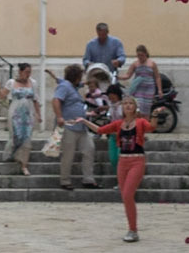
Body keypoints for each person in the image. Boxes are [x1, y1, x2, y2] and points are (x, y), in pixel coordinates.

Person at [90, 91, 152, 241]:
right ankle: (132, 228)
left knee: (128, 194)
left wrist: (155, 115)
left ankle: (133, 230)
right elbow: (100, 130)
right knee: (125, 197)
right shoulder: (119, 124)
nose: (128, 106)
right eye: (125, 104)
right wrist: (83, 121)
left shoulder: (141, 122)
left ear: (135, 107)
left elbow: (151, 127)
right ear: (122, 107)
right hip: (122, 162)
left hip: (137, 160)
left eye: (130, 103)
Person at [53, 63, 96, 191]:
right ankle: (65, 180)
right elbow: (56, 100)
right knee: (68, 154)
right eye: (80, 76)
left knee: (89, 149)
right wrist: (59, 117)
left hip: (81, 126)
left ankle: (88, 179)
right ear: (76, 77)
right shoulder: (64, 86)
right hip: (69, 126)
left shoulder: (73, 87)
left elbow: (81, 85)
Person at [3, 61, 41, 175]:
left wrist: (38, 114)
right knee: (16, 135)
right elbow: (2, 95)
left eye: (30, 72)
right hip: (15, 113)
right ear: (20, 71)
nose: (28, 74)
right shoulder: (11, 82)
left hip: (28, 113)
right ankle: (14, 155)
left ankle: (24, 165)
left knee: (27, 137)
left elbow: (36, 99)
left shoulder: (33, 83)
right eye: (26, 72)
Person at [125, 45, 163, 110]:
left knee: (147, 108)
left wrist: (160, 90)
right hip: (138, 89)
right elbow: (128, 75)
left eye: (141, 55)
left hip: (149, 89)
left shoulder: (152, 63)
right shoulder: (135, 64)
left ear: (145, 54)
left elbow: (157, 77)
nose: (140, 57)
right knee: (139, 106)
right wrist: (118, 77)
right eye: (138, 55)